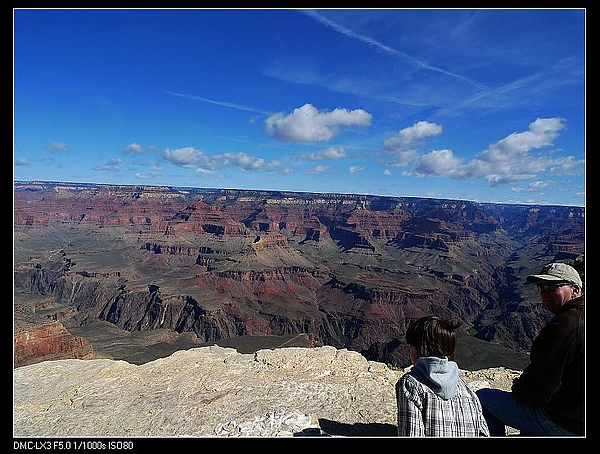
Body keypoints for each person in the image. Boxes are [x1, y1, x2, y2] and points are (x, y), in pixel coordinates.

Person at [476, 262, 585, 436]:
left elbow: (538, 389)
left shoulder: (565, 326)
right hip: (578, 419)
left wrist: (518, 387)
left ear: (575, 290)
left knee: (482, 399)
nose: (544, 292)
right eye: (541, 287)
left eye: (552, 286)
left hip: (562, 422)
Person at [396, 315, 490, 437]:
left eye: (411, 346)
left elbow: (410, 434)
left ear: (421, 349)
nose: (409, 351)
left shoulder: (410, 384)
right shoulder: (466, 389)